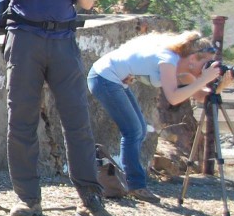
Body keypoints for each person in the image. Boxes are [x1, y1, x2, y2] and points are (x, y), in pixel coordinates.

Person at [0, 0, 114, 216]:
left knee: (78, 121)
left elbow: (85, 3)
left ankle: (91, 197)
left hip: (63, 38)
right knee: (22, 120)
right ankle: (28, 198)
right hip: (25, 37)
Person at [87, 31, 221, 203]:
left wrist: (220, 82)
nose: (205, 68)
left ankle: (133, 183)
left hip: (114, 79)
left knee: (140, 130)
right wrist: (204, 79)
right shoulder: (169, 59)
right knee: (133, 131)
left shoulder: (179, 65)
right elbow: (173, 97)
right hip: (104, 77)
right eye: (205, 63)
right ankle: (136, 185)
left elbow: (200, 94)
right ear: (193, 58)